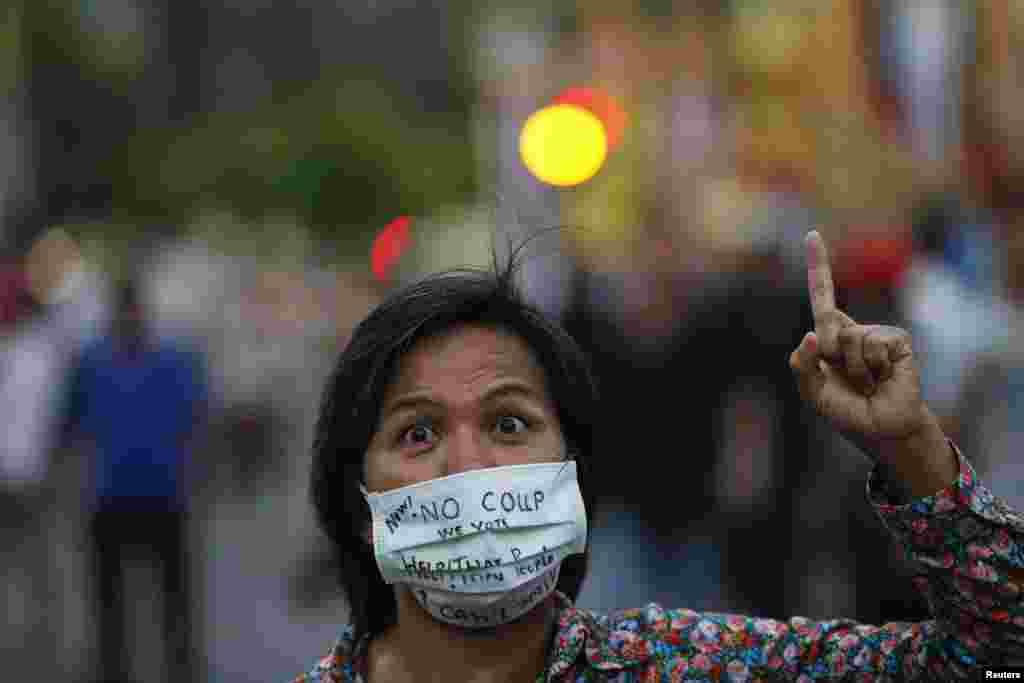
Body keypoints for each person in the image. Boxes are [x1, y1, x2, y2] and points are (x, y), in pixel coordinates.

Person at [290, 231, 1023, 681]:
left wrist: (912, 447)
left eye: (509, 422)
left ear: (570, 469)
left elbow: (1000, 658)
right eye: (418, 433)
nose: (470, 463)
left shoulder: (688, 665)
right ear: (359, 497)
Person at [60, 277, 208, 683]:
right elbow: (71, 426)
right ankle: (117, 668)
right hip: (114, 496)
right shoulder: (92, 362)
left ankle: (178, 666)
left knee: (170, 597)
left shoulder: (172, 360)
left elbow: (197, 421)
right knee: (113, 600)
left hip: (160, 495)